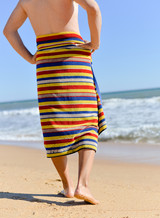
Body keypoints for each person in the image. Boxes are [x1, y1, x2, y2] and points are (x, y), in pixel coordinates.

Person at [3, 0, 107, 205]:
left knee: (54, 123)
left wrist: (30, 58)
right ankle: (82, 184)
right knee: (87, 119)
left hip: (45, 60)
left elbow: (8, 30)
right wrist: (95, 43)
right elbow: (93, 8)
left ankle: (68, 186)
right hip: (72, 53)